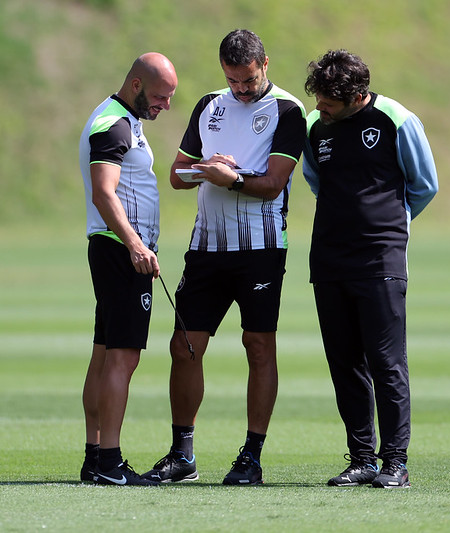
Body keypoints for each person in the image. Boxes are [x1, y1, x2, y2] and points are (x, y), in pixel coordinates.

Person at [142, 29, 305, 485]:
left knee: (258, 347)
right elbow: (177, 175)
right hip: (207, 247)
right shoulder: (209, 104)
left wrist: (228, 177)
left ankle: (251, 457)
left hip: (261, 248)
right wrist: (205, 169)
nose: (240, 89)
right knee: (184, 347)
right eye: (233, 80)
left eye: (247, 80)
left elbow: (273, 184)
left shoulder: (289, 111)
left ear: (265, 64)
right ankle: (182, 455)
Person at [301, 49, 438, 488]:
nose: (319, 107)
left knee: (386, 362)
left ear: (357, 96)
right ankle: (361, 458)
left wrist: (386, 226)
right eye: (317, 98)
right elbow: (316, 179)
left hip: (380, 259)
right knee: (344, 362)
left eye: (327, 101)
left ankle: (395, 461)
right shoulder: (314, 125)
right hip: (328, 259)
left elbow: (424, 185)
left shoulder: (396, 119)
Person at [78, 52, 178, 486]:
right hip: (121, 252)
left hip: (116, 250)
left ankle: (94, 456)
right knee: (123, 356)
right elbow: (104, 193)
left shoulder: (122, 119)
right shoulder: (114, 125)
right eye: (160, 96)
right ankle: (110, 463)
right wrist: (136, 245)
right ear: (136, 85)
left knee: (104, 352)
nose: (165, 106)